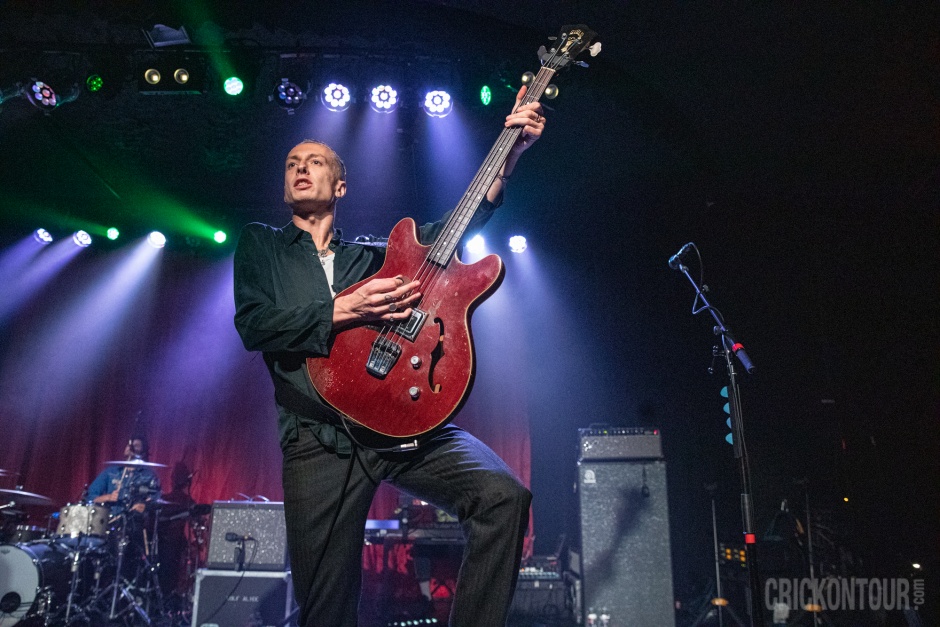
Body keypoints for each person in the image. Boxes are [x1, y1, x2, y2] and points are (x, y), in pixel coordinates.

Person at [233, 87, 545, 626]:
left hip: (400, 424)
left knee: (503, 497)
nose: (300, 168)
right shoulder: (262, 245)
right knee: (326, 608)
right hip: (319, 440)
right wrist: (343, 309)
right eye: (292, 164)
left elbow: (453, 227)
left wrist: (509, 152)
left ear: (341, 185)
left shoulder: (371, 256)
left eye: (315, 162)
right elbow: (255, 325)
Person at [87, 436, 162, 516]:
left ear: (143, 452)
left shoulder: (149, 475)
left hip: (135, 520)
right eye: (129, 445)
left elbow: (157, 501)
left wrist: (145, 506)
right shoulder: (111, 472)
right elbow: (90, 497)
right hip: (110, 519)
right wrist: (108, 497)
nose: (131, 448)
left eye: (136, 446)